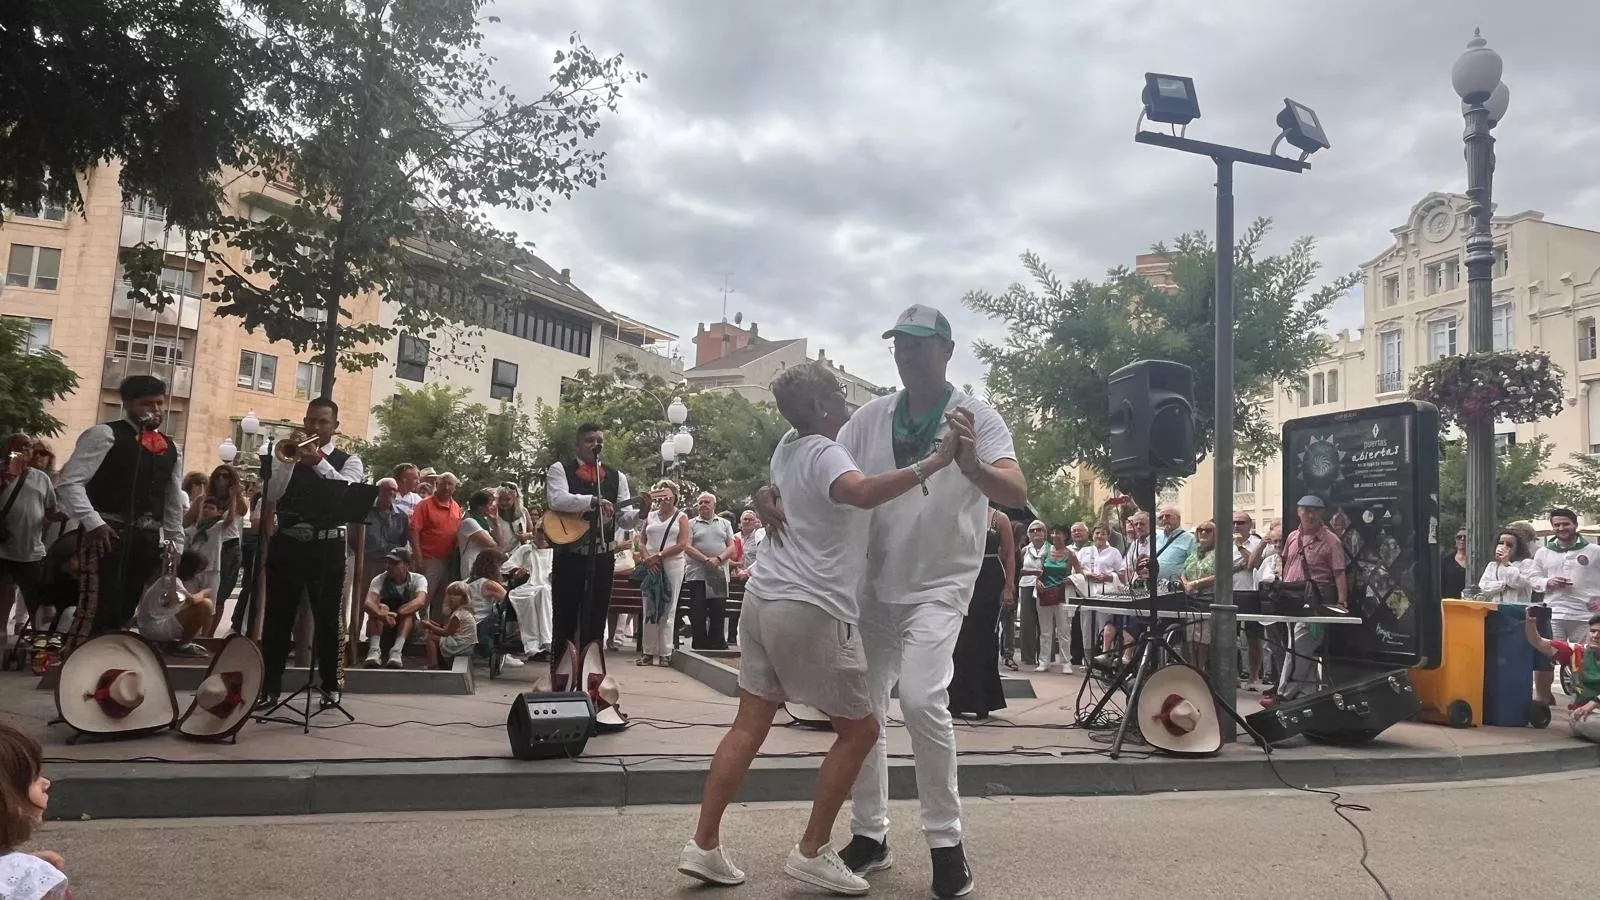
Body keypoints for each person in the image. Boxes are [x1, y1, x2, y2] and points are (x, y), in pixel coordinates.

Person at [756, 305, 1025, 898]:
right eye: (900, 345)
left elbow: (1016, 488)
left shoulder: (976, 414)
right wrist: (766, 489)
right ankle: (871, 834)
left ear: (948, 350)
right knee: (863, 711)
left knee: (924, 699)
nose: (907, 355)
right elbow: (807, 449)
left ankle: (946, 840)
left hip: (939, 584)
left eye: (920, 345)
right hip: (872, 586)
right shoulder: (873, 416)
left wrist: (973, 465)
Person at [679, 360, 963, 895]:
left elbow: (782, 491)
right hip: (811, 606)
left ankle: (705, 845)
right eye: (836, 391)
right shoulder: (824, 449)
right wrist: (935, 462)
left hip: (762, 599)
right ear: (817, 407)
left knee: (748, 725)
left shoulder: (787, 444)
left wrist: (762, 495)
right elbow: (859, 492)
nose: (845, 398)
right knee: (861, 731)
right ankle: (812, 850)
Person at [55, 375, 185, 649]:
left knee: (126, 607)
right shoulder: (105, 434)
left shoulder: (170, 447)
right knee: (96, 607)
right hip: (106, 533)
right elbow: (69, 482)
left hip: (147, 537)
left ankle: (110, 667)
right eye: (147, 404)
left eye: (160, 403)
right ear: (128, 405)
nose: (156, 410)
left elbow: (172, 501)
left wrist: (177, 543)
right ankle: (77, 665)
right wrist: (93, 522)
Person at [258, 397, 364, 711]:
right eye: (311, 421)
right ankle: (270, 687)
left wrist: (317, 462)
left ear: (335, 427)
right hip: (288, 542)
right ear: (304, 422)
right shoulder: (284, 454)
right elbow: (273, 494)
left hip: (328, 544)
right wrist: (289, 463)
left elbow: (347, 490)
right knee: (277, 618)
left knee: (329, 619)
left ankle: (331, 686)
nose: (316, 427)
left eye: (323, 422)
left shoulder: (349, 460)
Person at [544, 424, 648, 680]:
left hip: (603, 554)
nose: (596, 444)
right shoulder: (560, 469)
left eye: (600, 440)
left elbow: (623, 520)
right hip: (570, 553)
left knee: (597, 615)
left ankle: (592, 678)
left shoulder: (616, 476)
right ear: (579, 444)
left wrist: (641, 514)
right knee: (565, 615)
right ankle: (561, 676)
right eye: (590, 440)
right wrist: (591, 501)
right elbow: (557, 500)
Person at [1261, 496, 1348, 708]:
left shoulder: (1331, 541)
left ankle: (1283, 694)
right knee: (1302, 652)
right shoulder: (1292, 536)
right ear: (1298, 512)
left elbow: (1339, 573)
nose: (1310, 515)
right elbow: (1283, 560)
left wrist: (1342, 601)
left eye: (1315, 511)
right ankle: (1305, 698)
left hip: (1316, 605)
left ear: (1322, 514)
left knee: (1299, 646)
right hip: (1290, 600)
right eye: (1306, 510)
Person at [946, 507, 1014, 718]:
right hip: (963, 577)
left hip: (990, 577)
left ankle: (982, 701)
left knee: (985, 638)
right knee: (960, 639)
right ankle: (955, 701)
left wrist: (1009, 587)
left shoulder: (999, 518)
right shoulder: (960, 512)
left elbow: (1010, 555)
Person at [1530, 508, 1600, 707]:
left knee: (1587, 659)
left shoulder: (1594, 551)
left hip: (1585, 615)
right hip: (1554, 612)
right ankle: (1543, 698)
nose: (1561, 528)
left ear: (1575, 525)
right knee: (1546, 657)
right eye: (1557, 525)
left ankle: (1587, 699)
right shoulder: (1543, 552)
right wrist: (1547, 582)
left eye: (1565, 524)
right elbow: (1533, 578)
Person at [1, 435, 58, 648]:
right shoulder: (1, 474)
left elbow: (52, 510)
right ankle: (1, 636)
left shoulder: (41, 478)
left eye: (27, 447)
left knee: (35, 596)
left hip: (30, 549)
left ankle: (39, 641)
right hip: (2, 548)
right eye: (18, 447)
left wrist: (63, 515)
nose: (24, 451)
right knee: (3, 594)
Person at [0, 722, 69, 899]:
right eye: (34, 777)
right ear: (8, 801)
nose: (46, 783)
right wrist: (23, 872)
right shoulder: (34, 878)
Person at [1523, 611, 1600, 742]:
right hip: (1587, 714)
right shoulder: (1576, 651)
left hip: (1593, 707)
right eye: (1593, 631)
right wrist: (1530, 623)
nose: (1596, 636)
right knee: (1588, 723)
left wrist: (1595, 702)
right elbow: (1538, 642)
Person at [637, 481, 690, 667]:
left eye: (668, 494)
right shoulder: (650, 516)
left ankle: (665, 652)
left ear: (674, 496)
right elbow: (641, 541)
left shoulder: (681, 517)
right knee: (650, 606)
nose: (664, 499)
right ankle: (648, 651)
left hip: (672, 563)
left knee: (668, 607)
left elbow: (682, 543)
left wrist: (659, 556)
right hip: (651, 565)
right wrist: (647, 558)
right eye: (661, 495)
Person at [190, 465, 247, 636]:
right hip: (207, 546)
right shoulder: (205, 498)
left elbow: (242, 512)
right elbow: (189, 519)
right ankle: (197, 631)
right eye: (218, 476)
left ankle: (209, 635)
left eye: (226, 476)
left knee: (220, 594)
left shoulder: (235, 498)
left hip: (229, 547)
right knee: (199, 588)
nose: (221, 480)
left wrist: (235, 495)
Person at [136, 549, 216, 654]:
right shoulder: (171, 581)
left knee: (199, 606)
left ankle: (196, 639)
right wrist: (205, 592)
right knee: (206, 605)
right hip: (154, 628)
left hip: (152, 626)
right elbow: (193, 600)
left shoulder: (170, 580)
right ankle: (184, 645)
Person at [685, 492, 736, 651]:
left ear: (714, 505)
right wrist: (706, 560)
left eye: (706, 502)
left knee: (718, 608)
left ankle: (718, 642)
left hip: (718, 573)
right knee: (698, 609)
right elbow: (687, 546)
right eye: (700, 503)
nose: (703, 505)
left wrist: (718, 559)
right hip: (697, 573)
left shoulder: (725, 524)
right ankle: (699, 643)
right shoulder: (691, 523)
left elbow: (731, 546)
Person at [362, 548, 429, 669]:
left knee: (408, 612)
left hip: (407, 627)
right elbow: (368, 603)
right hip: (384, 625)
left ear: (406, 565)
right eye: (388, 563)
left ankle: (396, 651)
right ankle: (374, 650)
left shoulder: (418, 579)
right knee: (381, 608)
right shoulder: (379, 579)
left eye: (395, 563)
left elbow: (420, 601)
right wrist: (383, 615)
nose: (389, 566)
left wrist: (396, 614)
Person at [409, 473, 462, 619]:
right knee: (423, 597)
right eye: (443, 483)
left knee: (442, 600)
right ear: (436, 484)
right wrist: (418, 556)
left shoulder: (456, 506)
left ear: (455, 487)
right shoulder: (425, 504)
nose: (446, 487)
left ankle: (432, 633)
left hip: (448, 560)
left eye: (450, 484)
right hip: (429, 559)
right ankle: (414, 632)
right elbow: (413, 530)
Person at [1035, 525, 1079, 674]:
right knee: (1045, 631)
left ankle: (1066, 662)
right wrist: (1037, 581)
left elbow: (1080, 574)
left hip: (1062, 595)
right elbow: (1039, 573)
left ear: (1065, 536)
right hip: (1045, 594)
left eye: (1058, 533)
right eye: (1052, 532)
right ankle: (1044, 661)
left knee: (1064, 631)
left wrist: (1072, 579)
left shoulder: (1070, 555)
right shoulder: (1045, 553)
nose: (1054, 535)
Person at [423, 580, 478, 669]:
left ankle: (433, 664)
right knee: (436, 634)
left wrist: (430, 626)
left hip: (461, 645)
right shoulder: (464, 612)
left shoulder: (458, 615)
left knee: (430, 638)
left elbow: (446, 632)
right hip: (467, 644)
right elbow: (452, 629)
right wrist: (435, 625)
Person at [1015, 520, 1047, 668]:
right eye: (1033, 530)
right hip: (1027, 586)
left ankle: (1044, 657)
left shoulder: (1050, 549)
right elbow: (1018, 570)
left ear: (1044, 533)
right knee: (1027, 622)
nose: (1036, 532)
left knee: (1044, 623)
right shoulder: (1024, 550)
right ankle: (1028, 657)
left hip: (1045, 587)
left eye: (1039, 529)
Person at [1479, 528, 1538, 604]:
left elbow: (1518, 583)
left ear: (1517, 548)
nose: (1504, 546)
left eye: (1509, 545)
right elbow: (1484, 587)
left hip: (1517, 609)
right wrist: (1503, 585)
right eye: (1501, 543)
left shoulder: (1526, 563)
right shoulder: (1492, 565)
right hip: (1496, 608)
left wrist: (1506, 563)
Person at [457, 489, 500, 586]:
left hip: (483, 566)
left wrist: (496, 523)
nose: (492, 507)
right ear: (480, 507)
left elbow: (500, 543)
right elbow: (492, 544)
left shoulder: (484, 522)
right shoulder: (469, 522)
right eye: (489, 504)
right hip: (471, 564)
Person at [1441, 529, 1468, 599]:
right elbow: (1441, 585)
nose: (1462, 539)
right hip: (1450, 603)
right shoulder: (1446, 561)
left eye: (1466, 537)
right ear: (1455, 540)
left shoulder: (1476, 561)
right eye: (1459, 537)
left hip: (1471, 603)